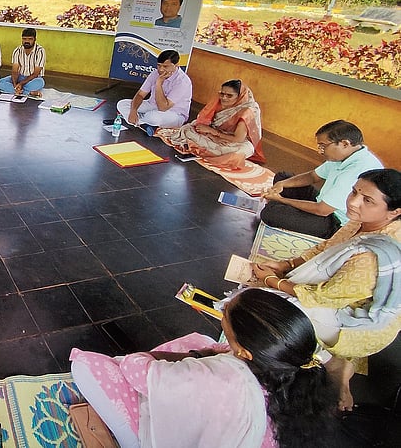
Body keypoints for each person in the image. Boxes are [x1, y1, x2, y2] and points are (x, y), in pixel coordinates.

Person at [71, 288, 337, 448]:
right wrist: (207, 353)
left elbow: (136, 369)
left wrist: (143, 358)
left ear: (244, 352)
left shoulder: (224, 376)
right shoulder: (299, 370)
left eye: (226, 324)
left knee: (86, 366)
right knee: (200, 341)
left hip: (171, 437)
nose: (222, 321)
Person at [253, 168, 401, 411]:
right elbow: (325, 248)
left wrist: (273, 281)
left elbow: (325, 296)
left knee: (273, 313)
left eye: (367, 200)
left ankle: (332, 359)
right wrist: (284, 265)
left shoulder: (375, 254)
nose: (352, 202)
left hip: (358, 322)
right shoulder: (362, 221)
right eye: (354, 192)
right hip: (344, 299)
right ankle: (339, 365)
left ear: (395, 212)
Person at [260, 120, 383, 238]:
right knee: (283, 177)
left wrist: (282, 200)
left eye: (323, 146)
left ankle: (286, 210)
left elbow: (322, 210)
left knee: (270, 213)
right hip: (323, 202)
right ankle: (287, 208)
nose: (320, 151)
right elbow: (312, 176)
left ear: (345, 144)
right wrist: (282, 184)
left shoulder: (357, 170)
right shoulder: (346, 155)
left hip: (335, 222)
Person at [156, 79, 265, 169]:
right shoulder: (219, 100)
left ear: (240, 97)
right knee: (188, 129)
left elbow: (238, 139)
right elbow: (204, 120)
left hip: (236, 142)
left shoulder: (247, 111)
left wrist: (214, 133)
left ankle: (207, 150)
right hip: (215, 134)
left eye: (229, 96)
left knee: (238, 152)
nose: (224, 98)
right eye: (222, 94)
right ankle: (206, 148)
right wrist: (209, 132)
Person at [115, 50, 192, 131]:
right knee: (122, 104)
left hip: (174, 114)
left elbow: (163, 107)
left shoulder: (182, 81)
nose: (161, 69)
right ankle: (143, 123)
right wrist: (133, 111)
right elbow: (140, 94)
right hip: (152, 106)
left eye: (165, 66)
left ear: (176, 65)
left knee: (152, 117)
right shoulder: (155, 73)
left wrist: (158, 84)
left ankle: (137, 121)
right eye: (159, 66)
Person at [0, 27, 46, 97]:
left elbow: (35, 74)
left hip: (34, 79)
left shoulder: (40, 51)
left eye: (30, 39)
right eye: (24, 39)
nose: (27, 41)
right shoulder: (17, 51)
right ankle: (28, 92)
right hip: (20, 77)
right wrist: (15, 84)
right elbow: (14, 72)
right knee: (1, 82)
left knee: (40, 82)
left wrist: (21, 84)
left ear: (35, 39)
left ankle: (17, 91)